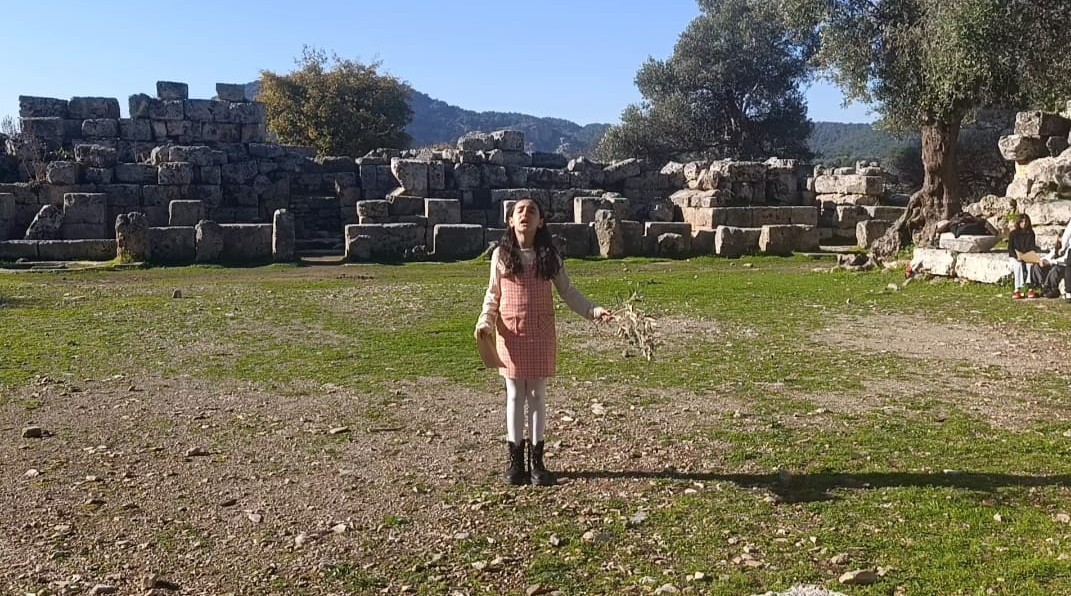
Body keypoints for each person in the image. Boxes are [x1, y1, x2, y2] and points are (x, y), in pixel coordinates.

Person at [475, 198, 612, 486]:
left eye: (532, 210)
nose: (525, 214)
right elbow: (493, 294)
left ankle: (537, 464)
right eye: (519, 210)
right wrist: (485, 321)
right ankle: (516, 464)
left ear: (541, 222)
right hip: (510, 333)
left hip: (541, 333)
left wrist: (593, 311)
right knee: (515, 394)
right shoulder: (501, 255)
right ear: (511, 220)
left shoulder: (549, 255)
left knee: (537, 395)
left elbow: (569, 292)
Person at [1008, 214, 1046, 298]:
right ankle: (1017, 289)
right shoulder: (1013, 233)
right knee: (1018, 266)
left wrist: (1030, 256)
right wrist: (1016, 256)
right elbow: (1010, 248)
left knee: (1030, 265)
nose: (1024, 223)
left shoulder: (1030, 233)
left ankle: (1030, 287)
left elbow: (1032, 247)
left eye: (1026, 221)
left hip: (1026, 255)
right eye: (1022, 221)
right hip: (1015, 255)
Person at [1040, 218, 1071, 299]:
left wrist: (1050, 262)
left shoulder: (1067, 248)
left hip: (1063, 266)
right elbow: (1050, 255)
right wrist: (1042, 260)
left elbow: (1064, 260)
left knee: (1055, 270)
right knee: (1037, 266)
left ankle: (1052, 289)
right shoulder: (1057, 247)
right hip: (1057, 264)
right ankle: (1042, 286)